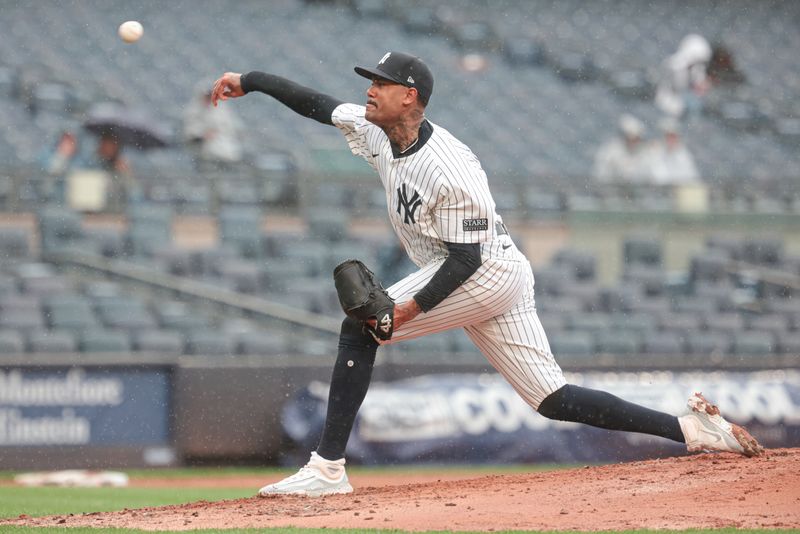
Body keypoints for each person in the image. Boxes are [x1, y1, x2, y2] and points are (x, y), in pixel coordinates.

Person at [211, 51, 763, 497]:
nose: (368, 89)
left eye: (380, 82)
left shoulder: (449, 167)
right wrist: (251, 80)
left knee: (363, 324)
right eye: (369, 80)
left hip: (485, 270)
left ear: (411, 97)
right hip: (480, 270)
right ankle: (692, 430)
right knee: (552, 399)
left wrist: (403, 311)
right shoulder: (377, 129)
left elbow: (465, 261)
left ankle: (327, 469)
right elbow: (317, 104)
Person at [182, 83, 245, 169]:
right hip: (202, 149)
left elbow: (231, 128)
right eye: (207, 97)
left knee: (229, 152)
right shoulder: (194, 111)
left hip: (224, 145)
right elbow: (190, 132)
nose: (208, 99)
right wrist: (202, 135)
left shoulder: (222, 111)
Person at [655, 34, 713, 119]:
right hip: (668, 103)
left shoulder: (697, 68)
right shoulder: (673, 66)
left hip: (686, 105)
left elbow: (700, 87)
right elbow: (678, 86)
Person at [592, 113, 650, 183]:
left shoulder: (644, 153)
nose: (633, 142)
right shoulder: (611, 150)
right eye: (630, 138)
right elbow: (601, 172)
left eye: (636, 139)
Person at [644, 118, 701, 185]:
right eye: (667, 136)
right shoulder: (658, 152)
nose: (670, 139)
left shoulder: (684, 155)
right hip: (660, 190)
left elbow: (688, 177)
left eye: (672, 136)